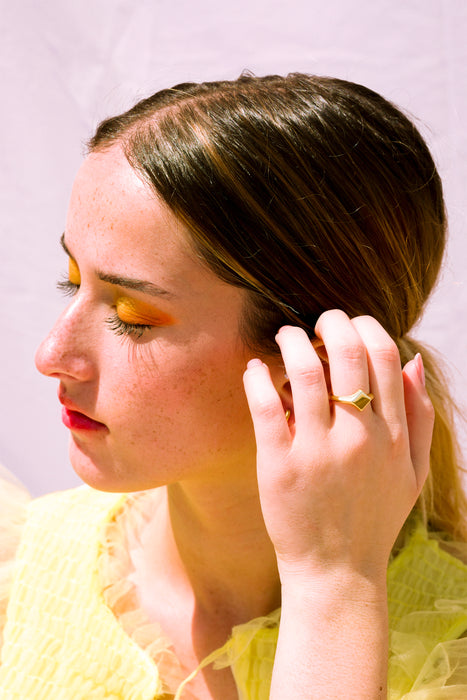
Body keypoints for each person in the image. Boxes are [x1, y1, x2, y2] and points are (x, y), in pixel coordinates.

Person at [0, 73, 466, 700]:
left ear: (314, 363)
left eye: (132, 316)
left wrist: (334, 588)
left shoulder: (449, 647)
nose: (52, 356)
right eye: (71, 283)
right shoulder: (18, 574)